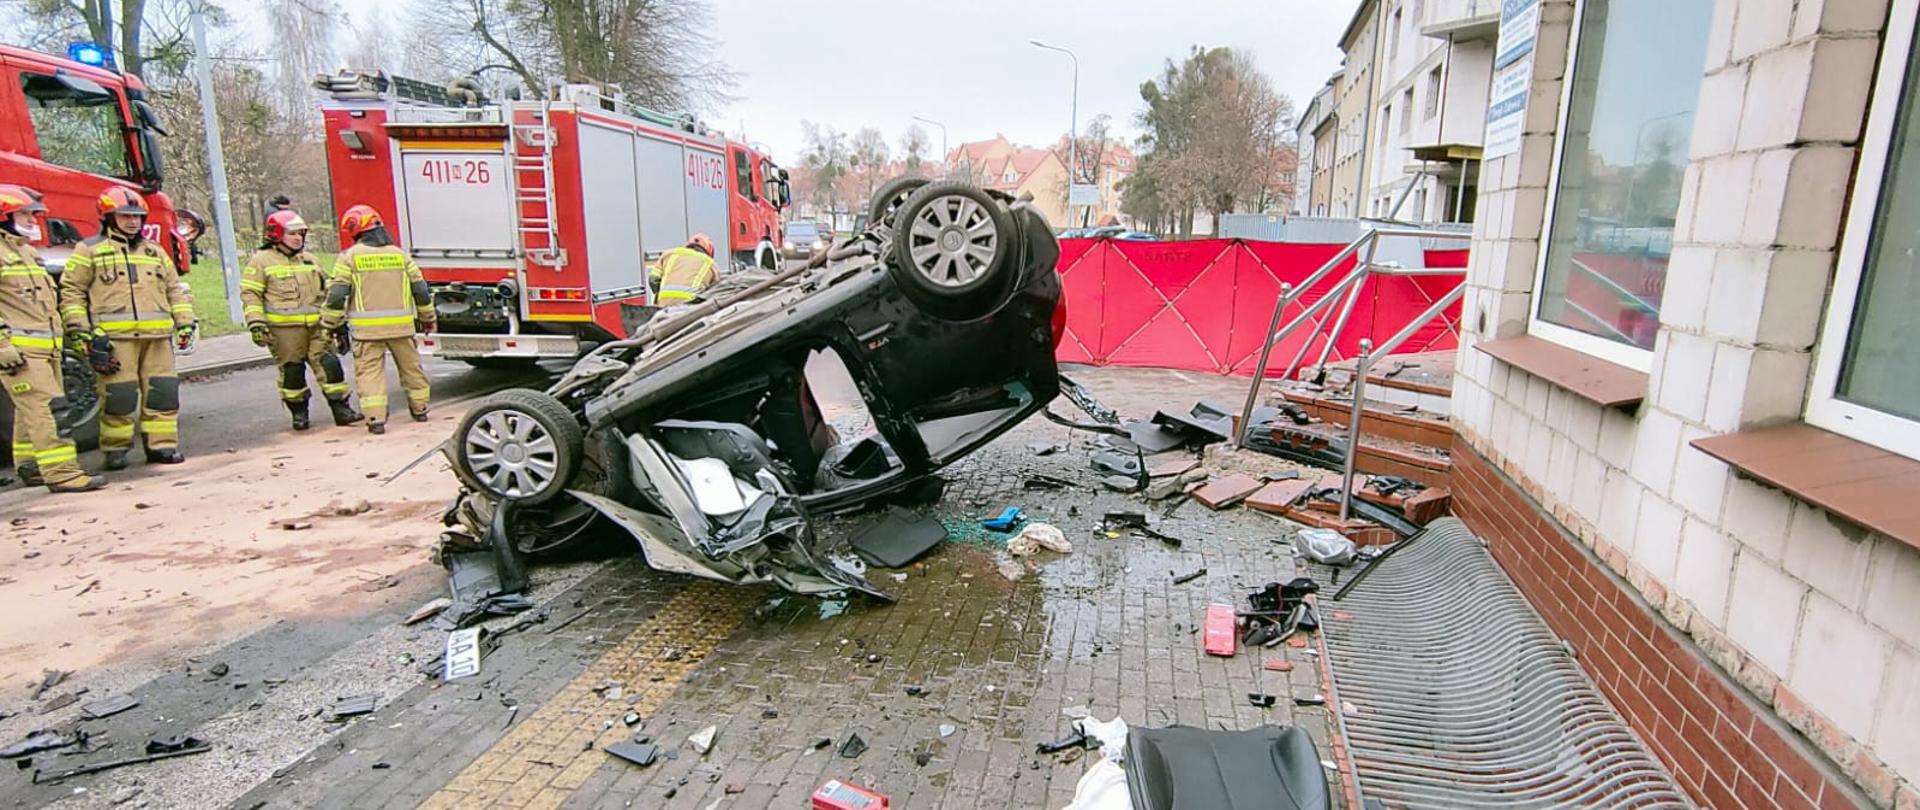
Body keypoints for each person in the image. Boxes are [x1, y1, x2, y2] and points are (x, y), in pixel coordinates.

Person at [59, 187, 194, 469]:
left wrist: (184, 323)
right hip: (114, 341)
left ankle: (162, 447)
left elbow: (174, 290)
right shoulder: (90, 251)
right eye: (125, 216)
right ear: (108, 217)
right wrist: (80, 330)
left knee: (163, 393)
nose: (133, 222)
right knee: (118, 397)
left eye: (137, 217)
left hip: (157, 339)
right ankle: (115, 449)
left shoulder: (154, 252)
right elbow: (72, 292)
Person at [0, 185, 104, 492]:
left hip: (45, 348)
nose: (33, 220)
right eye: (25, 214)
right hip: (20, 352)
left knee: (29, 408)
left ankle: (30, 464)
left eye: (33, 213)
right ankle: (63, 474)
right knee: (48, 409)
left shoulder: (26, 251)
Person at [241, 208, 363, 431]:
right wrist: (256, 322)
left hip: (318, 327)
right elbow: (251, 294)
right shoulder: (260, 261)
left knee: (330, 366)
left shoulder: (310, 260)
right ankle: (299, 413)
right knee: (292, 372)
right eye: (293, 234)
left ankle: (341, 410)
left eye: (301, 234)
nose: (298, 238)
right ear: (276, 235)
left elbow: (328, 292)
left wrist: (338, 323)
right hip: (285, 331)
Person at [320, 205, 435, 435]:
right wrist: (427, 317)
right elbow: (421, 290)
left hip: (367, 333)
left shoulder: (349, 258)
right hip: (402, 329)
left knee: (370, 374)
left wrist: (329, 324)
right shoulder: (400, 255)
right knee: (412, 369)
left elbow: (336, 295)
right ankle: (420, 409)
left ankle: (376, 420)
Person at [650, 233, 718, 306]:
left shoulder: (669, 253)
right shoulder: (711, 264)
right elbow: (716, 291)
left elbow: (653, 280)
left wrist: (662, 295)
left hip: (664, 304)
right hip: (691, 307)